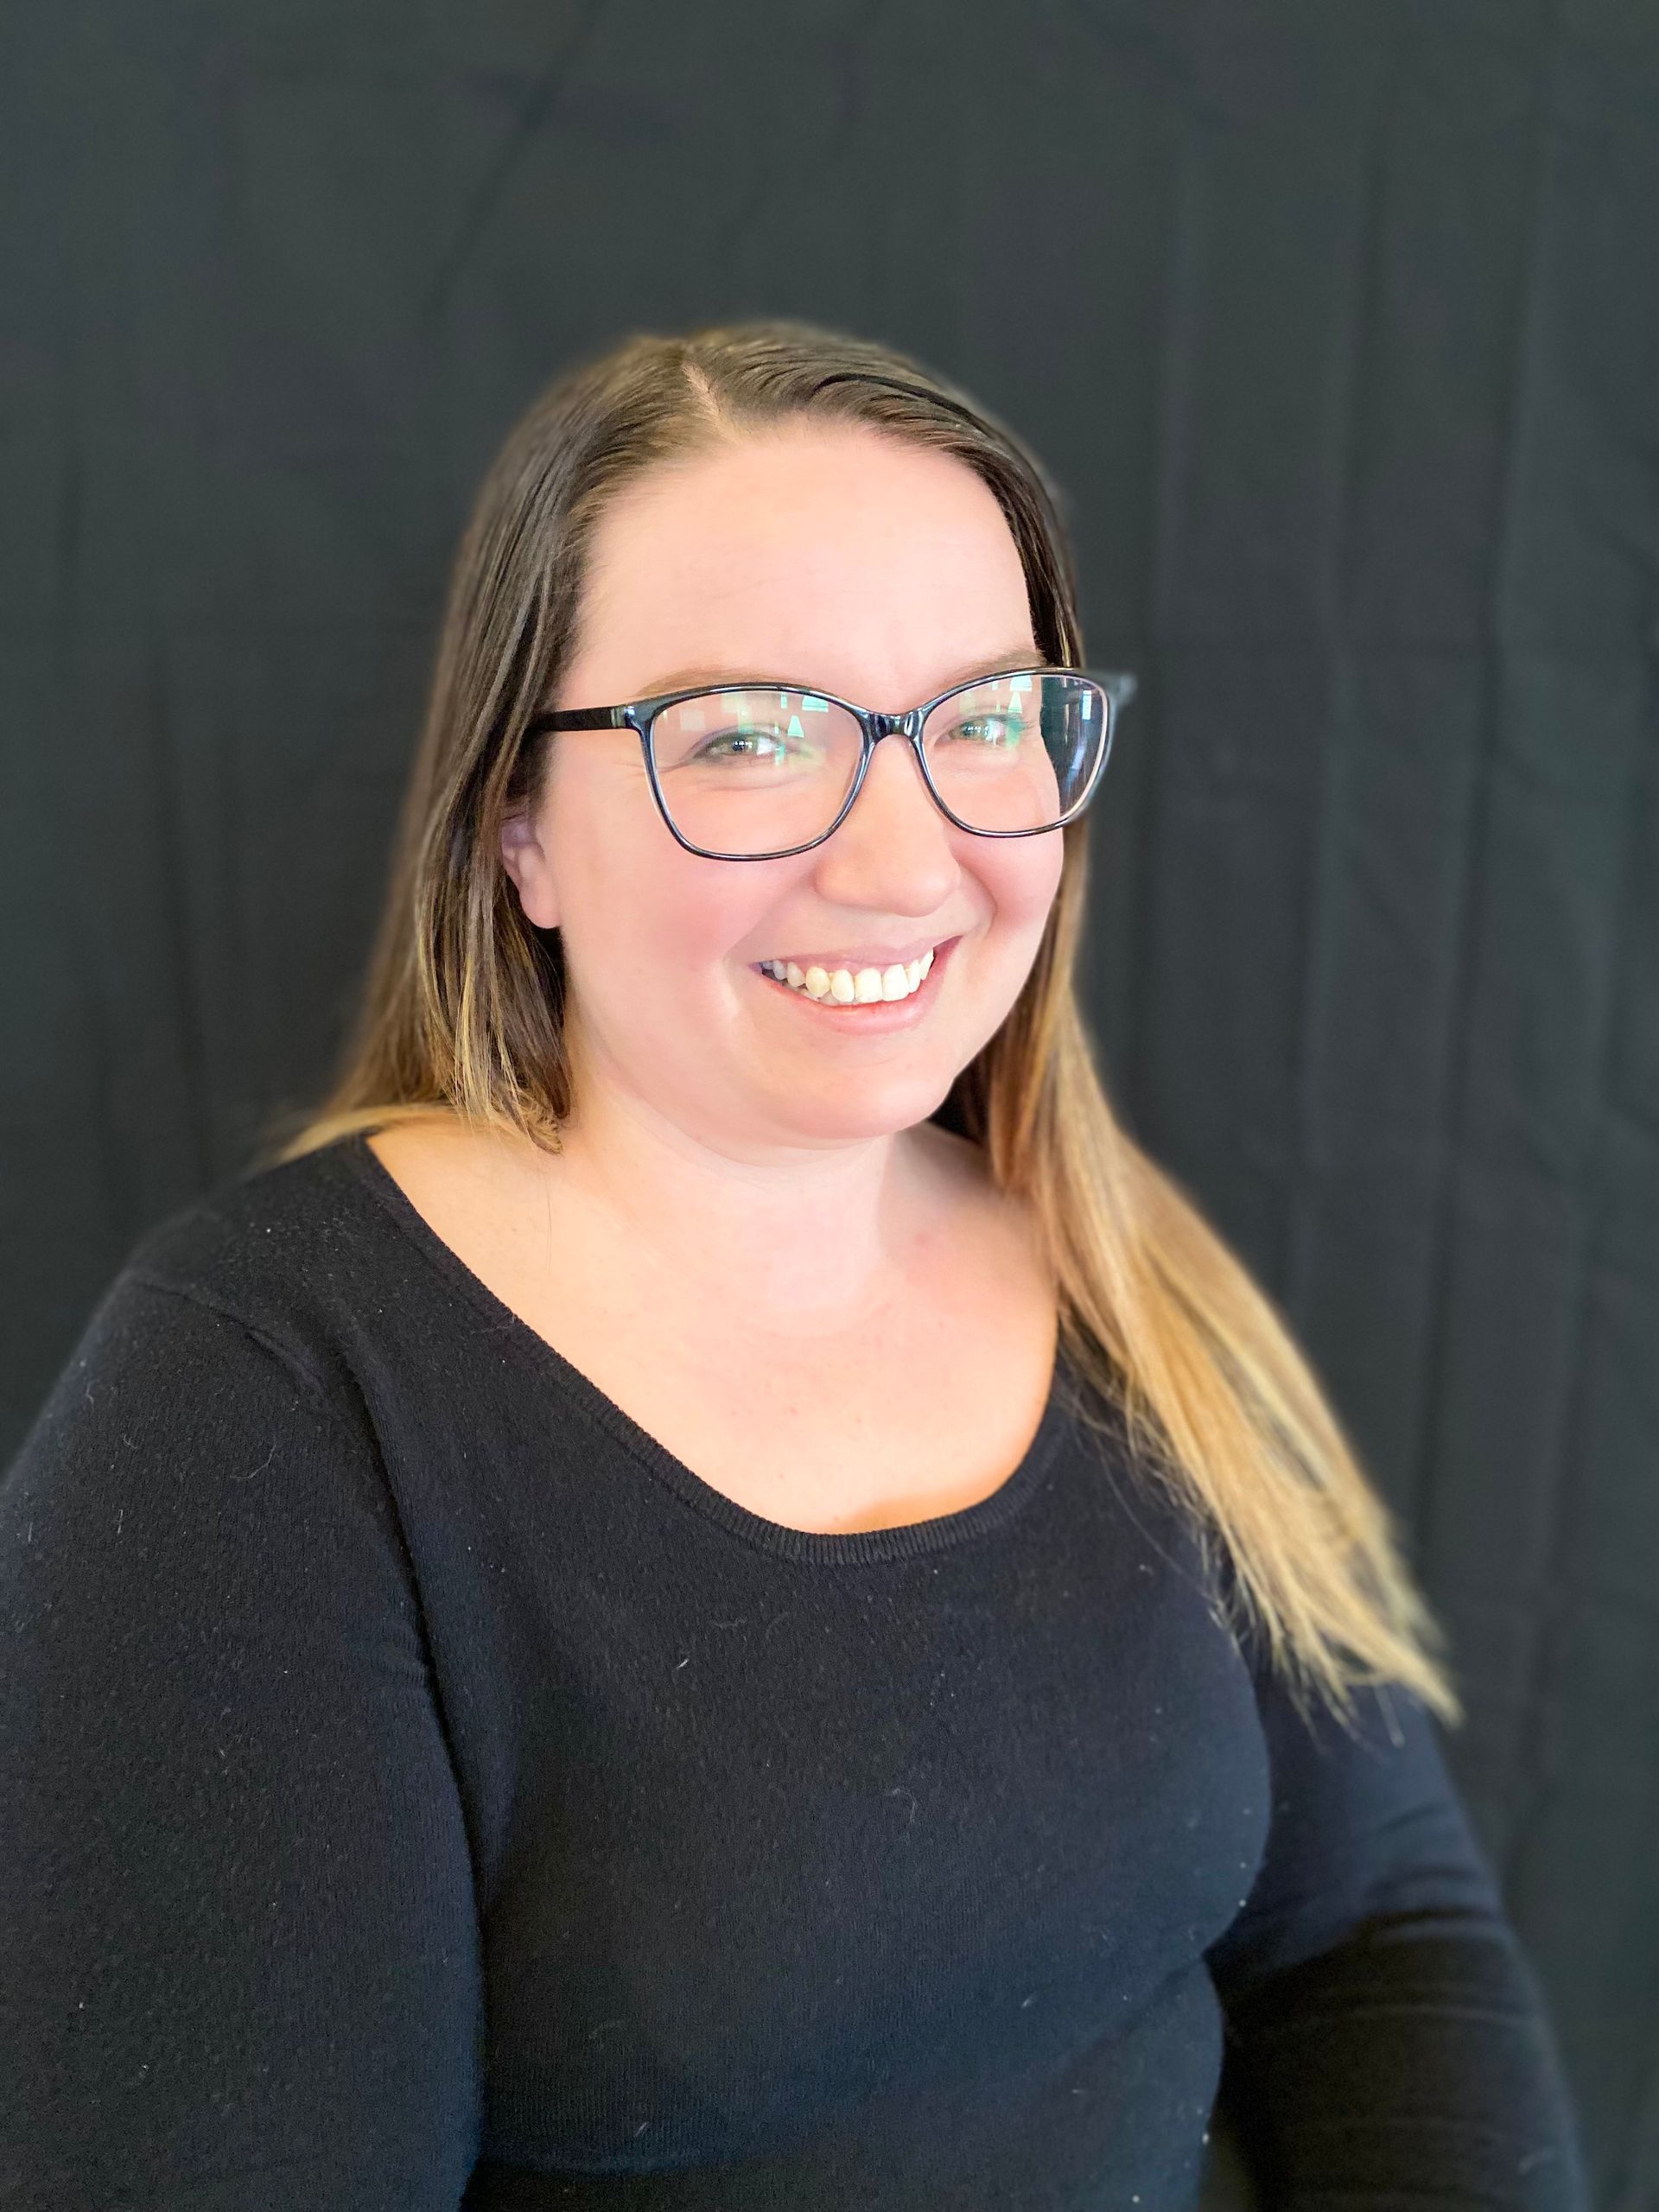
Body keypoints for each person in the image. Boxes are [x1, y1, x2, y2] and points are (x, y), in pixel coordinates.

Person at [0, 319, 1588, 2209]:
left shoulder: (1117, 1269)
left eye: (986, 720)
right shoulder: (262, 1403)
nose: (909, 861)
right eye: (752, 735)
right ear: (521, 832)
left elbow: (1382, 1938)